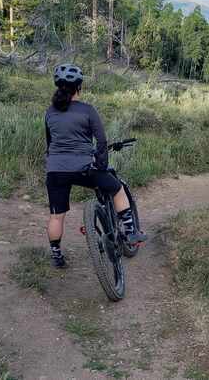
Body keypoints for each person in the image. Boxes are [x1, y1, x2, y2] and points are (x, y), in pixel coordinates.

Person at [45, 63, 146, 268]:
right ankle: (130, 233)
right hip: (83, 168)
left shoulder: (49, 113)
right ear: (79, 88)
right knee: (117, 189)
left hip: (55, 170)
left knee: (56, 216)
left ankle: (56, 256)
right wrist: (101, 165)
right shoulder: (87, 110)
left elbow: (50, 143)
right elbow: (101, 142)